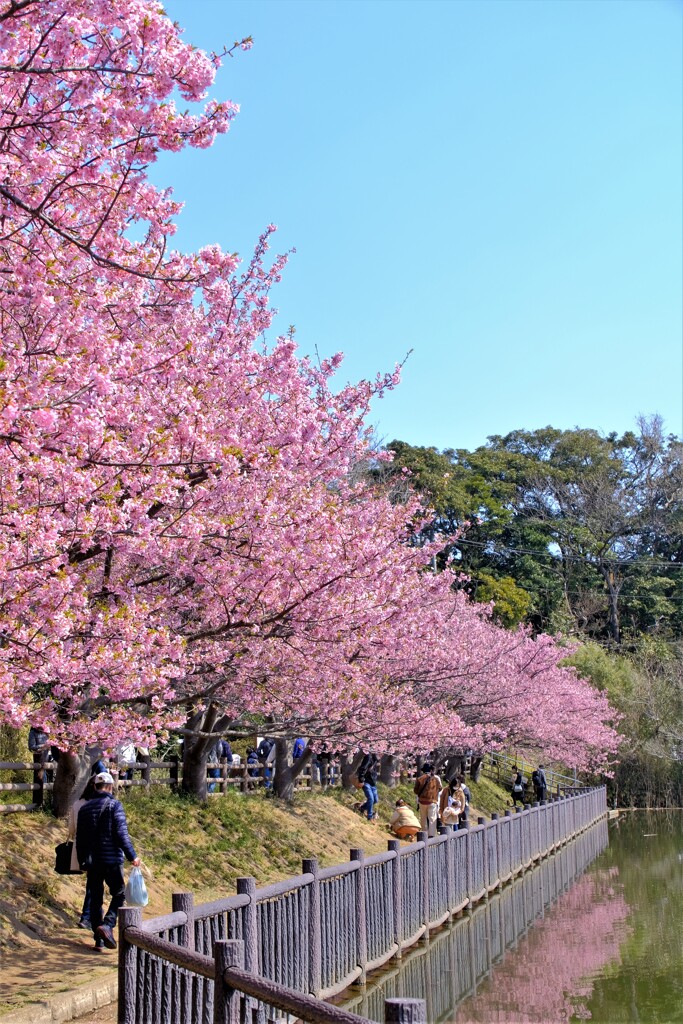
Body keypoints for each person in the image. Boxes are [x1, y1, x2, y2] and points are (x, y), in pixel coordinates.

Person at [76, 771, 140, 952]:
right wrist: (132, 856)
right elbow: (121, 834)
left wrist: (83, 862)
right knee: (119, 894)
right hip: (111, 860)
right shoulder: (114, 805)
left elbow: (80, 839)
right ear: (111, 787)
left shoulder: (84, 809)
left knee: (96, 899)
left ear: (95, 787)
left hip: (93, 861)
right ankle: (108, 925)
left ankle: (99, 941)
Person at [67, 778, 96, 929]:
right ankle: (88, 917)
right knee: (95, 884)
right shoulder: (100, 805)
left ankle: (87, 917)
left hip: (80, 848)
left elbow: (71, 830)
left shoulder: (77, 804)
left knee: (92, 883)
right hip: (98, 849)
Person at [414, 763, 442, 837]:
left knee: (423, 818)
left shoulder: (420, 779)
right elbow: (440, 789)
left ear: (423, 771)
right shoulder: (435, 779)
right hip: (432, 801)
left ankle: (424, 833)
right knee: (432, 818)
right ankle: (431, 835)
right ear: (430, 770)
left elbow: (415, 791)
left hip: (422, 801)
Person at [357, 752, 379, 821]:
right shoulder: (369, 757)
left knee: (375, 800)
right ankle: (370, 817)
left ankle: (362, 808)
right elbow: (362, 769)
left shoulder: (375, 758)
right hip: (366, 781)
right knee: (371, 799)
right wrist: (361, 780)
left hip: (373, 782)